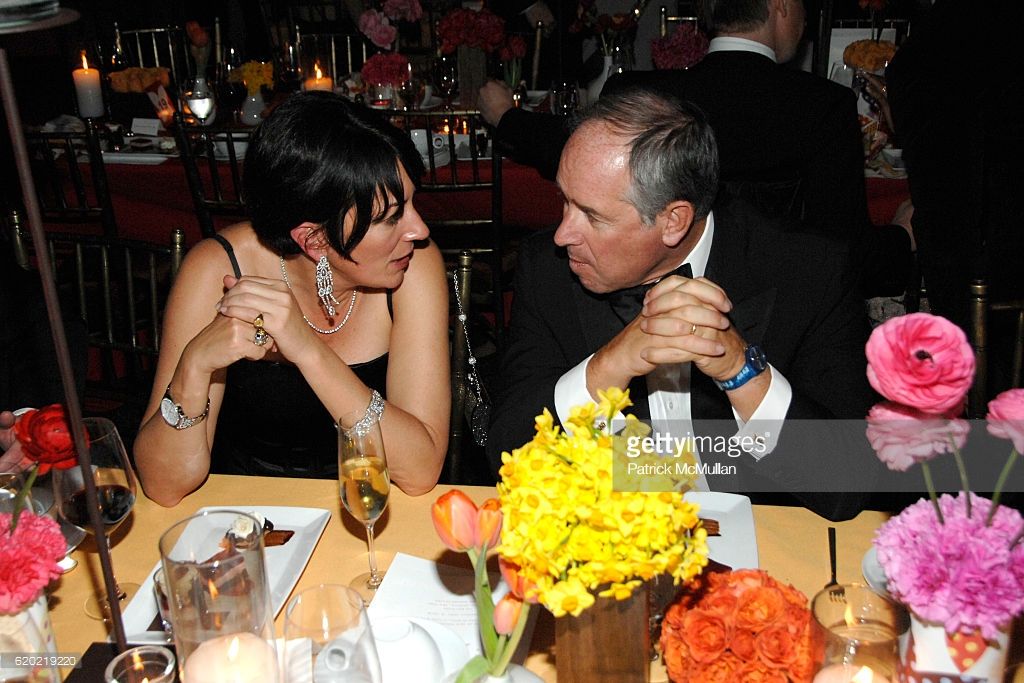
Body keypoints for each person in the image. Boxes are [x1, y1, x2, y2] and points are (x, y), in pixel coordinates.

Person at [487, 86, 880, 521]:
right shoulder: (547, 270)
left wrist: (739, 370)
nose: (563, 235)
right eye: (564, 200)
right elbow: (507, 458)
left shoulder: (806, 271)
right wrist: (609, 366)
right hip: (607, 531)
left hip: (762, 534)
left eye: (592, 216)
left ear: (674, 221)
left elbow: (848, 489)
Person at [135, 92, 449, 506]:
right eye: (391, 218)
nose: (420, 229)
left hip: (369, 513)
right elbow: (164, 486)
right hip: (246, 521)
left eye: (410, 203)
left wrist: (308, 350)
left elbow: (420, 470)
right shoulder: (218, 269)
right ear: (314, 240)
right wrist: (192, 369)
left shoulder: (412, 266)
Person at [479, 0, 913, 297]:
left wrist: (506, 117)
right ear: (780, 6)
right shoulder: (823, 105)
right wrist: (901, 238)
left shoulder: (640, 92)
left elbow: (565, 147)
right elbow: (845, 255)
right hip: (784, 311)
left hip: (649, 300)